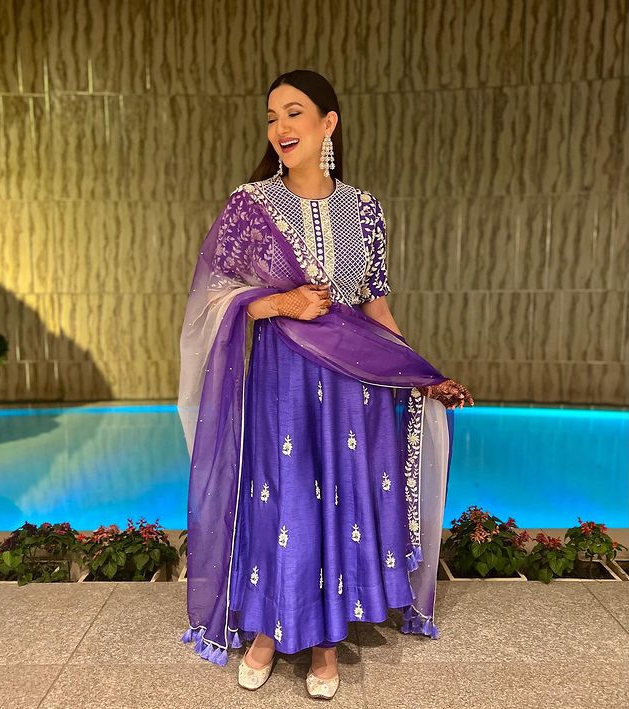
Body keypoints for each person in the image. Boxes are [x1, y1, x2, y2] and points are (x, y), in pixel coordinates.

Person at [177, 69, 474, 700]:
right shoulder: (252, 206)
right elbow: (214, 302)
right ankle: (265, 632)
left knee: (339, 503)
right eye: (271, 117)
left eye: (293, 113)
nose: (279, 128)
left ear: (328, 123)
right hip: (280, 387)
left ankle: (325, 642)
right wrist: (282, 303)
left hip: (350, 392)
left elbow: (376, 309)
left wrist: (420, 372)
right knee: (281, 501)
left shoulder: (363, 210)